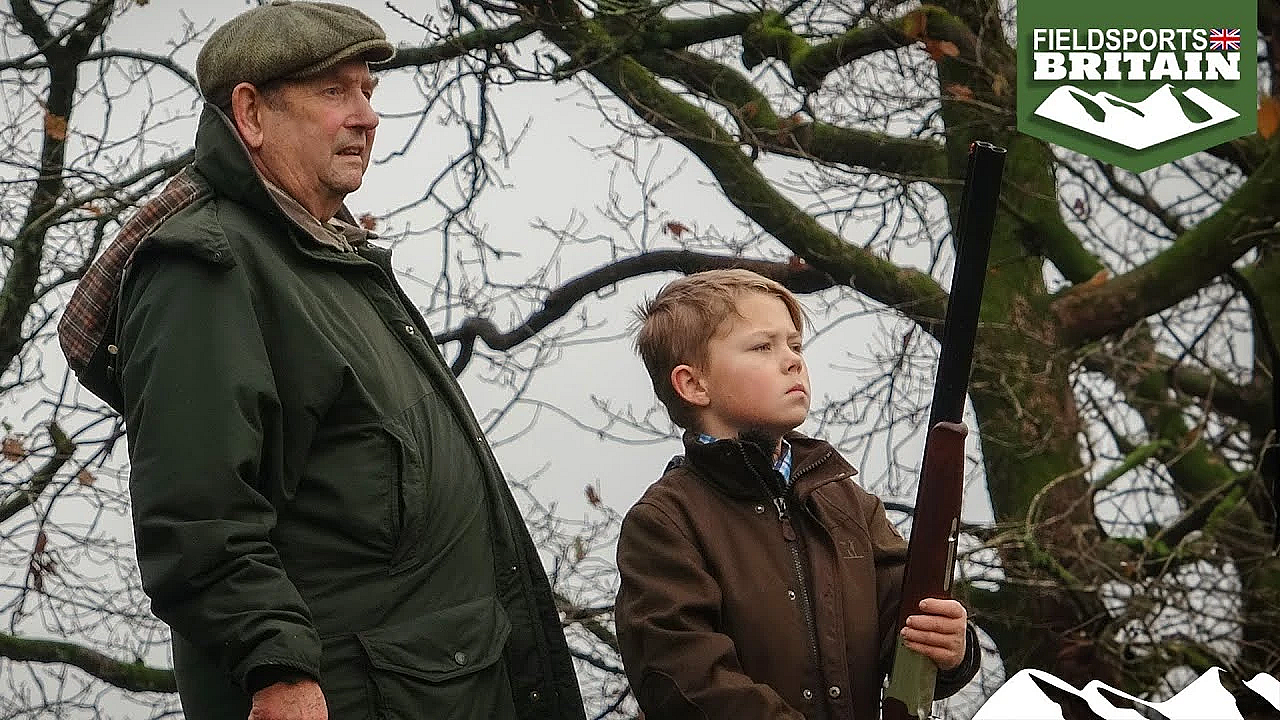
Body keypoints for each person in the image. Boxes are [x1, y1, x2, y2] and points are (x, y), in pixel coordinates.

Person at [56, 3, 586, 719]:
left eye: (369, 92)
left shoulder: (334, 264)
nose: (366, 116)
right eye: (335, 92)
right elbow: (198, 515)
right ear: (250, 113)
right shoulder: (208, 267)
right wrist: (274, 667)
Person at [616, 269, 980, 719]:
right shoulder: (666, 522)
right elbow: (686, 681)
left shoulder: (846, 503)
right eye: (762, 347)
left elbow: (906, 623)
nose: (792, 361)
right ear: (693, 384)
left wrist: (951, 646)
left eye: (794, 345)